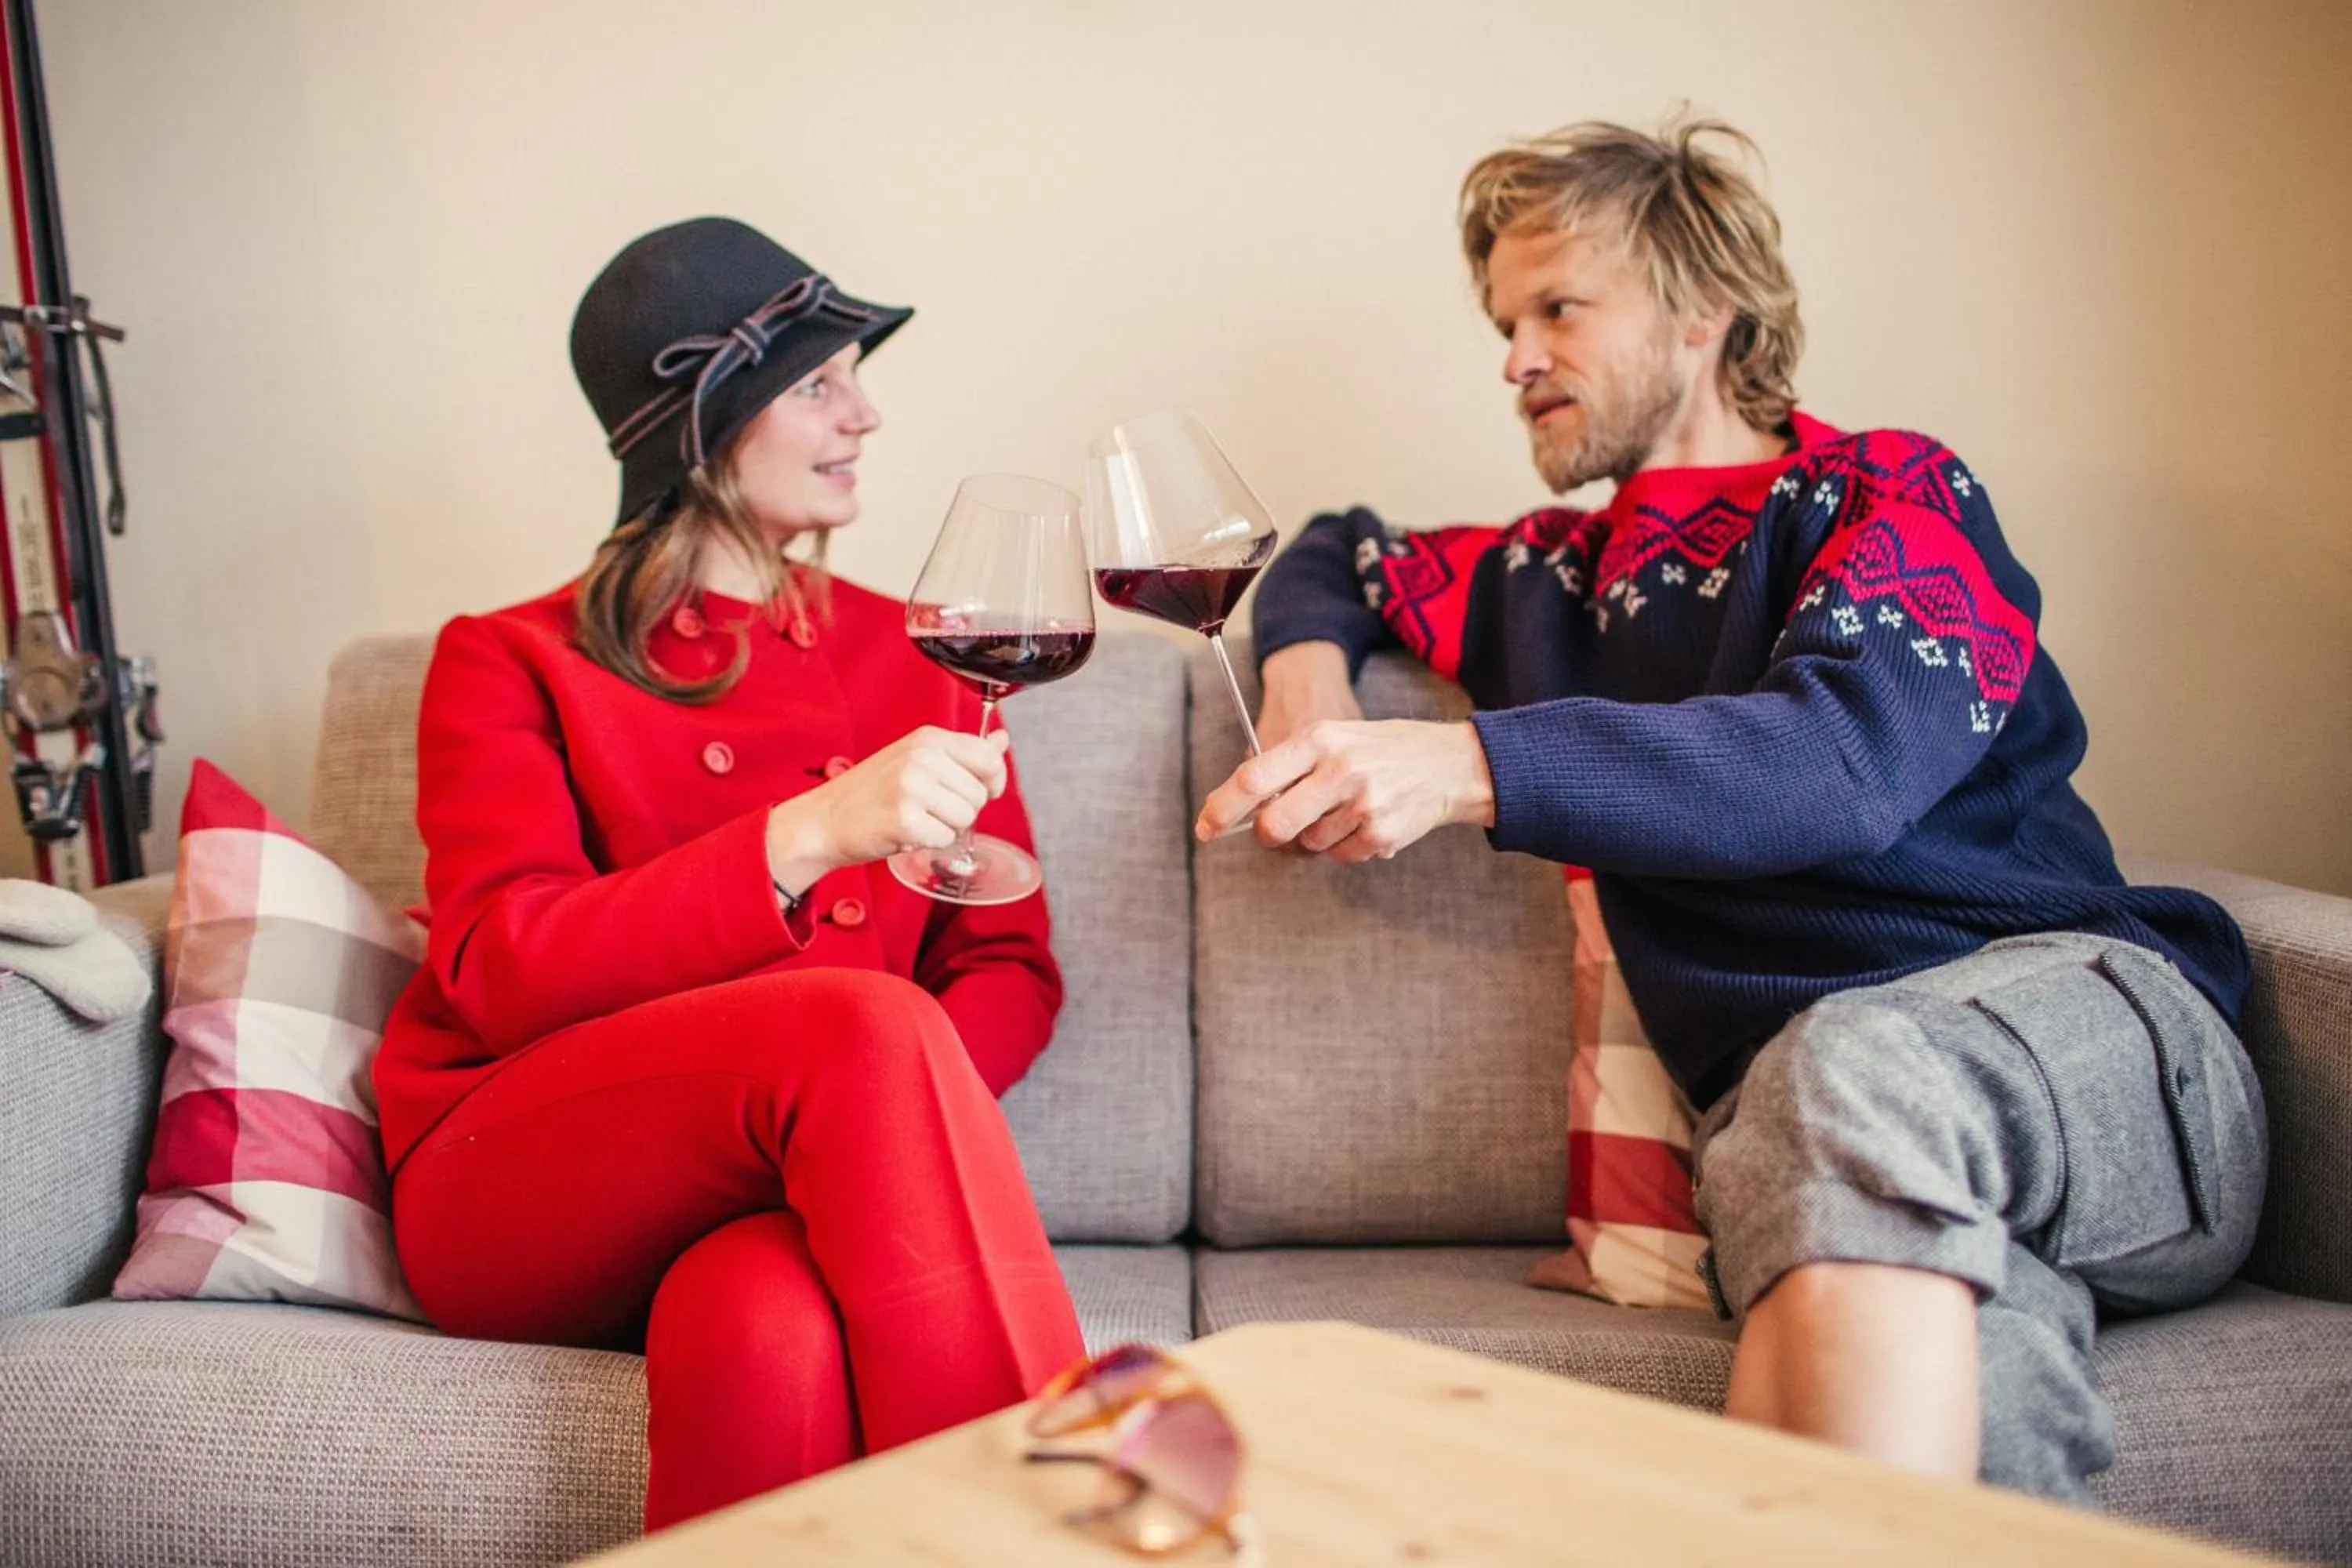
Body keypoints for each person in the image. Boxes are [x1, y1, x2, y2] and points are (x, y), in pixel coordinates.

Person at [1200, 118, 2266, 1501]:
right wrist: (1302, 687)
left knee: (1836, 1072)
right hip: (1832, 1155)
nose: (1515, 358)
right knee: (1938, 1353)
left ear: (1706, 308)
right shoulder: (1546, 580)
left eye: (1558, 309)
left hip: (2096, 1056)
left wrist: (1469, 767)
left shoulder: (1889, 492)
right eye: (1504, 321)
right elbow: (1334, 550)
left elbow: (1839, 768)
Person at [375, 216, 1083, 1530]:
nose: (865, 413)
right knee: (867, 1021)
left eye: (856, 377)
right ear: (704, 424)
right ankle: (1062, 1544)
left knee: (767, 1330)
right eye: (820, 382)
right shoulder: (509, 658)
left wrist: (876, 1136)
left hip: (787, 1172)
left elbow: (1006, 963)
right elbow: (499, 968)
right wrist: (802, 837)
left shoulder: (918, 653)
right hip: (526, 1176)